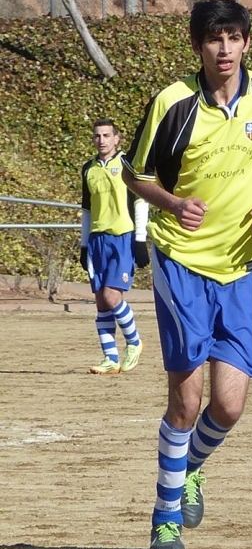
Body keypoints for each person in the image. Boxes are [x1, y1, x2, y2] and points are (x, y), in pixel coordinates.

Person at [122, 0, 252, 549]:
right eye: (213, 39)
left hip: (239, 268)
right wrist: (172, 203)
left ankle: (189, 469)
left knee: (228, 406)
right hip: (182, 264)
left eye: (233, 38)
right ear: (198, 46)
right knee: (188, 398)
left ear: (247, 43)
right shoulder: (172, 104)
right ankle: (165, 514)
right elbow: (133, 176)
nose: (224, 49)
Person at [79, 118, 149, 374]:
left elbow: (141, 203)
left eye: (107, 135)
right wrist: (84, 245)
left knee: (111, 296)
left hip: (122, 238)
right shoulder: (89, 169)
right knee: (100, 300)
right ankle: (110, 358)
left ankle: (134, 342)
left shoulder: (128, 166)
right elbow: (86, 210)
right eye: (97, 136)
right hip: (98, 240)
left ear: (117, 138)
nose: (101, 140)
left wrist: (140, 240)